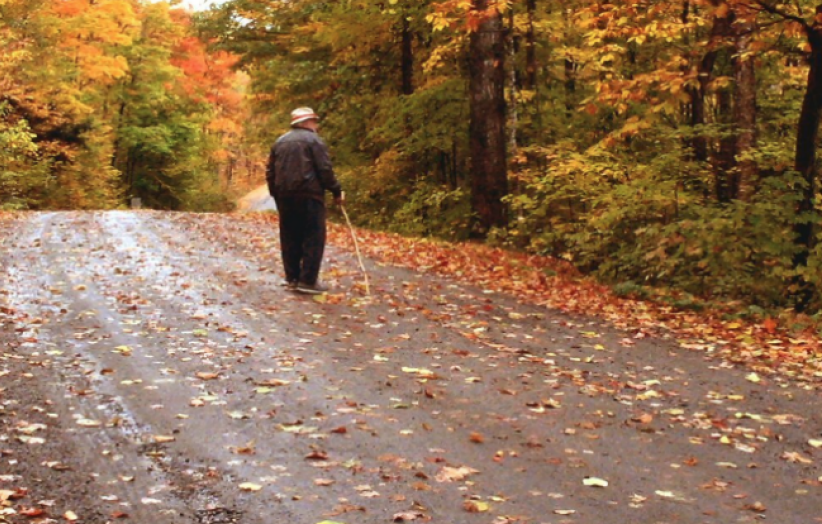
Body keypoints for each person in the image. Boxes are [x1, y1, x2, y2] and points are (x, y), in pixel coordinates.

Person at [266, 107, 344, 294]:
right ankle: (308, 280)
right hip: (309, 195)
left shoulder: (279, 142)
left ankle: (292, 277)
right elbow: (324, 169)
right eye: (314, 121)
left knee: (290, 236)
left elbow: (270, 172)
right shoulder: (314, 141)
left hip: (285, 196)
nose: (316, 125)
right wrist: (336, 190)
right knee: (313, 236)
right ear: (307, 122)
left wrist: (275, 193)